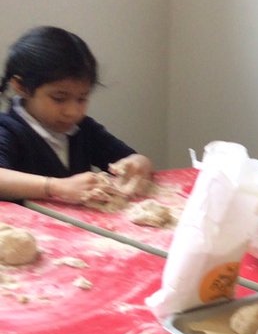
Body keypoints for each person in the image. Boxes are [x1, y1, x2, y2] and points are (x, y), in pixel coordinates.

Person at [0, 25, 153, 205]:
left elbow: (126, 158)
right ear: (21, 87)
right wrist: (56, 187)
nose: (72, 112)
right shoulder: (7, 129)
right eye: (59, 98)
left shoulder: (83, 129)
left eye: (82, 98)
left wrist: (140, 163)